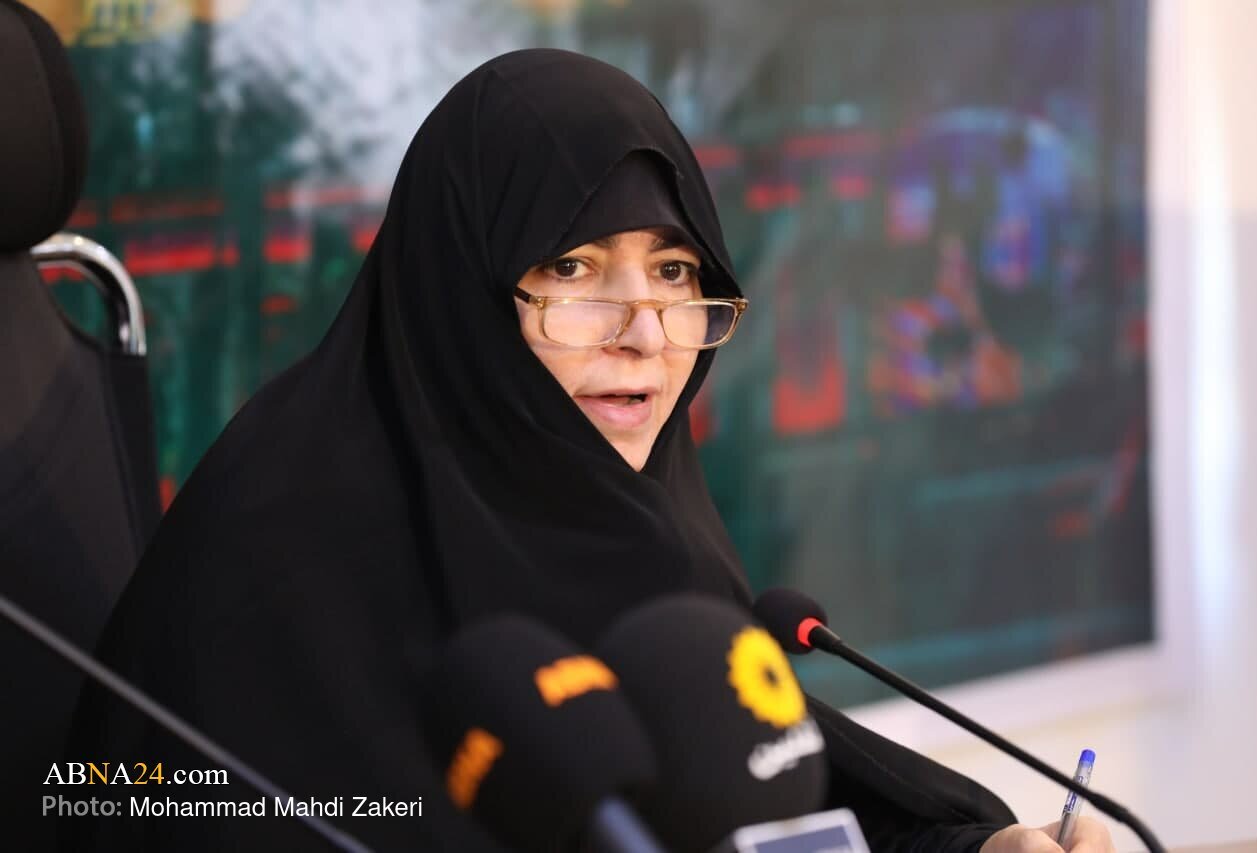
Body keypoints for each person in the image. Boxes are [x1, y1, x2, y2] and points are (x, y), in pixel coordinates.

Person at [62, 49, 1115, 852]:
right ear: (462, 292)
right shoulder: (280, 555)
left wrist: (970, 849)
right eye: (572, 267)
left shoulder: (639, 528)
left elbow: (747, 790)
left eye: (673, 271)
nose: (645, 333)